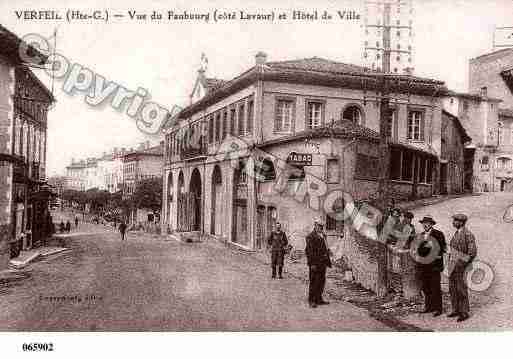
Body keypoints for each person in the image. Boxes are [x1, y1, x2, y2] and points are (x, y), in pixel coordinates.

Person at [447, 214, 477, 322]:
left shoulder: (468, 234)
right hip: (453, 266)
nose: (453, 222)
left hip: (461, 267)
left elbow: (472, 253)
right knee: (452, 288)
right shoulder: (457, 233)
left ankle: (464, 312)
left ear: (461, 222)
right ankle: (456, 309)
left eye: (455, 221)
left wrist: (462, 264)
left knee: (461, 289)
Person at [415, 215, 447, 317]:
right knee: (425, 286)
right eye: (423, 223)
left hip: (434, 266)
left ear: (432, 224)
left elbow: (441, 248)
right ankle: (429, 307)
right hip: (424, 266)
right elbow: (418, 250)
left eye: (427, 223)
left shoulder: (438, 234)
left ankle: (438, 308)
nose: (425, 225)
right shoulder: (420, 235)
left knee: (435, 286)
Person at [305, 219, 332, 308]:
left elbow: (325, 248)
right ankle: (311, 300)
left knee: (321, 281)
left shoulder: (322, 236)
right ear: (315, 225)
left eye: (322, 227)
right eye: (319, 226)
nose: (321, 228)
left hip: (322, 263)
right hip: (315, 263)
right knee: (313, 281)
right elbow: (308, 251)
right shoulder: (310, 236)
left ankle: (319, 299)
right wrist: (311, 264)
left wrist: (326, 240)